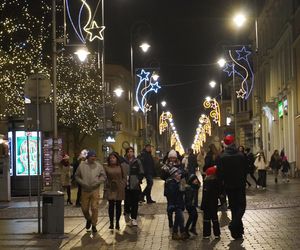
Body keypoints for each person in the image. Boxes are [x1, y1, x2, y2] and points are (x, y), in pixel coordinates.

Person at [218, 135, 248, 239]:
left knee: (235, 208)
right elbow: (246, 170)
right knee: (242, 206)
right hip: (239, 185)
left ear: (225, 144)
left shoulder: (222, 157)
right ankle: (234, 225)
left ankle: (237, 233)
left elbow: (220, 174)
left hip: (229, 186)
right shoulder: (240, 155)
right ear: (234, 143)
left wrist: (222, 187)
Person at [75, 150, 106, 233]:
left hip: (95, 189)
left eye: (94, 156)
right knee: (84, 208)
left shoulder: (99, 166)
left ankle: (94, 225)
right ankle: (88, 219)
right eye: (92, 156)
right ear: (88, 157)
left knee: (94, 208)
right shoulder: (82, 166)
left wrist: (98, 182)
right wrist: (82, 183)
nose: (93, 158)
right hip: (85, 190)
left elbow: (103, 176)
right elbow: (76, 176)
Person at [161, 149, 186, 228]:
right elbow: (162, 176)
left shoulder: (180, 165)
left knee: (178, 206)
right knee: (170, 206)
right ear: (168, 158)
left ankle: (177, 222)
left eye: (174, 158)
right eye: (171, 158)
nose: (172, 159)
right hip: (169, 189)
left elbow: (185, 173)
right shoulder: (165, 166)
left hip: (179, 188)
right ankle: (170, 221)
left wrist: (180, 175)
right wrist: (167, 173)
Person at [104, 152, 127, 230]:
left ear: (117, 159)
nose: (112, 159)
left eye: (113, 158)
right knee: (110, 205)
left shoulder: (120, 167)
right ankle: (111, 223)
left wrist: (123, 184)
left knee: (118, 205)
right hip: (111, 187)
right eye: (111, 158)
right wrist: (107, 185)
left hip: (119, 187)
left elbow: (124, 177)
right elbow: (105, 177)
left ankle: (117, 222)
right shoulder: (106, 167)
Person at [165, 167, 189, 240]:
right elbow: (172, 194)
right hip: (175, 204)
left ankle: (175, 233)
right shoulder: (171, 183)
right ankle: (182, 232)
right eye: (178, 174)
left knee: (178, 219)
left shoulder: (178, 182)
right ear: (174, 175)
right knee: (180, 218)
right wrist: (181, 189)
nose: (180, 175)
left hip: (179, 203)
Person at [124, 147, 144, 227]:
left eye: (131, 151)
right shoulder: (124, 162)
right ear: (126, 153)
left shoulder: (137, 161)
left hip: (135, 185)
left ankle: (134, 218)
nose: (130, 153)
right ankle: (127, 212)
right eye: (128, 151)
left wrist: (138, 180)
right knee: (127, 201)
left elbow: (141, 172)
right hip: (126, 184)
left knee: (135, 202)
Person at [201, 166, 221, 239]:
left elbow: (205, 195)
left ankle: (206, 234)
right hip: (214, 203)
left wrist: (202, 205)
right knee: (215, 219)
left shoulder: (207, 182)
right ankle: (217, 234)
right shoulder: (217, 181)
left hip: (207, 204)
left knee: (206, 219)